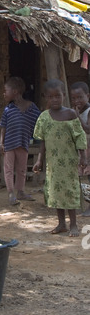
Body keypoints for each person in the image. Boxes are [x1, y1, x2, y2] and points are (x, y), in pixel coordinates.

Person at [33, 79, 87, 237]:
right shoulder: (44, 117)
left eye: (58, 96)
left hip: (69, 163)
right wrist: (39, 160)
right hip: (53, 164)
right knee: (56, 193)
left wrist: (83, 157)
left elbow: (79, 136)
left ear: (64, 96)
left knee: (69, 192)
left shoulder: (70, 114)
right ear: (46, 98)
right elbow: (42, 141)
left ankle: (74, 225)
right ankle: (61, 223)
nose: (55, 99)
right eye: (51, 97)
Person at [0, 77, 40, 205]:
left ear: (15, 91)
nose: (4, 93)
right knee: (8, 169)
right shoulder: (8, 109)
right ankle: (11, 193)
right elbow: (3, 128)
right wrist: (1, 143)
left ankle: (21, 192)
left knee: (22, 169)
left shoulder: (31, 108)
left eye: (6, 90)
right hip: (9, 144)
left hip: (23, 143)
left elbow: (40, 121)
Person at [70, 81, 90, 216]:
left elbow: (88, 130)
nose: (77, 100)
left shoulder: (88, 112)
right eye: (74, 98)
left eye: (80, 97)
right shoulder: (75, 112)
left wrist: (77, 117)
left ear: (88, 96)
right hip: (81, 149)